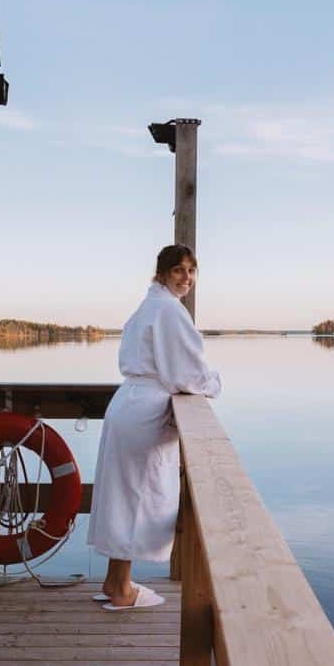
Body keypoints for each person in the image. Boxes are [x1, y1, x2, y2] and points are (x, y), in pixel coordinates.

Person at [87, 245, 222, 610]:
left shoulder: (149, 307)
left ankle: (115, 582)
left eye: (191, 271)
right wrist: (213, 383)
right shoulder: (168, 310)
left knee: (123, 497)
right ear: (162, 273)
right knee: (135, 500)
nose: (187, 278)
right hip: (144, 411)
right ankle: (120, 589)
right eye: (179, 270)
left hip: (128, 405)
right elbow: (185, 373)